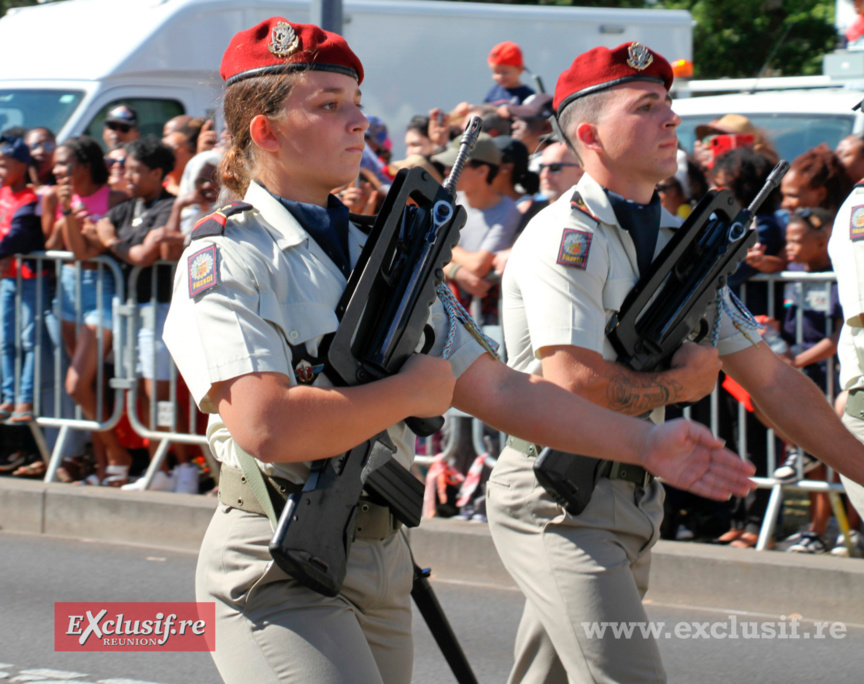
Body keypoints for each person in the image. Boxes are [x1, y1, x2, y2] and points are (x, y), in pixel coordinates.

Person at [160, 20, 755, 683]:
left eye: (356, 102)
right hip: (276, 565)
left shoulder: (381, 257)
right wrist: (409, 392)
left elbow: (503, 391)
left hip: (379, 557)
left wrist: (643, 444)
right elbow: (267, 425)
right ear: (264, 131)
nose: (358, 122)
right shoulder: (227, 256)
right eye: (328, 105)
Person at [487, 42, 864, 683]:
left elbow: (770, 377)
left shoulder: (677, 243)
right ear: (590, 134)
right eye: (646, 106)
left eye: (668, 103)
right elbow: (571, 379)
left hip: (629, 497)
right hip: (559, 500)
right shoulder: (564, 236)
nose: (671, 119)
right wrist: (681, 384)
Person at [91, 136, 188, 488]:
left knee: (158, 391)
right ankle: (157, 469)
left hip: (158, 311)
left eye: (135, 170)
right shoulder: (125, 208)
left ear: (157, 173)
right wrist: (109, 237)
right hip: (130, 310)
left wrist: (111, 241)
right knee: (137, 392)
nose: (126, 176)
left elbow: (142, 256)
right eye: (124, 169)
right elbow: (95, 232)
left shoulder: (167, 206)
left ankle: (184, 467)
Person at [45, 136, 130, 484]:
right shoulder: (52, 196)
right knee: (89, 388)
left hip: (102, 292)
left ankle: (118, 453)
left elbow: (85, 253)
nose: (59, 171)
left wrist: (72, 217)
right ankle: (103, 466)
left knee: (76, 385)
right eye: (57, 165)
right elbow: (52, 245)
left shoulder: (115, 197)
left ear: (84, 164)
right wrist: (65, 212)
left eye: (65, 164)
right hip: (66, 294)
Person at [433, 132, 520, 324]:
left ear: (482, 171)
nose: (448, 171)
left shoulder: (508, 210)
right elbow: (426, 250)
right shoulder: (448, 203)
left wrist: (443, 246)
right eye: (448, 166)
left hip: (477, 321)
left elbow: (479, 266)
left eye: (456, 166)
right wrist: (455, 271)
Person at [0, 135, 46, 425]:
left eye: (5, 164)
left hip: (30, 278)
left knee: (29, 340)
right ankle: (8, 396)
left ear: (22, 165)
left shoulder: (31, 198)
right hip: (8, 278)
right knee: (5, 340)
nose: (0, 168)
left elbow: (19, 235)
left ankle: (25, 398)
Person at [780, 144, 852, 215]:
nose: (784, 204)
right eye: (783, 196)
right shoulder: (783, 222)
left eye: (792, 196)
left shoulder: (846, 222)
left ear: (821, 194)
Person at [483, 40, 535, 106]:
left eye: (504, 72)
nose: (500, 76)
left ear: (520, 70)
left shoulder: (527, 94)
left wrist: (510, 111)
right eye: (496, 72)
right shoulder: (493, 92)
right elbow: (484, 110)